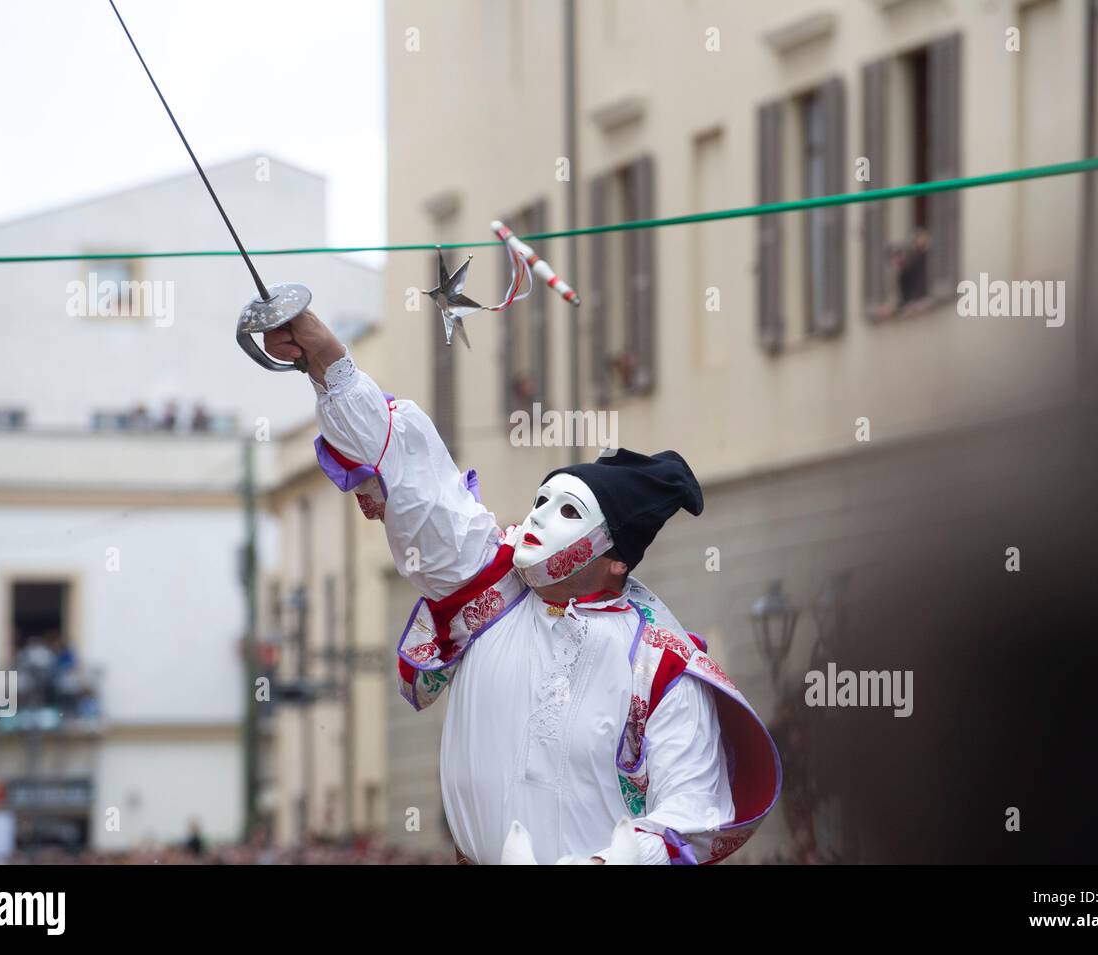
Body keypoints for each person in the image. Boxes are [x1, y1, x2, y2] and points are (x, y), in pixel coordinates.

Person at [261, 311, 780, 865]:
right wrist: (329, 361)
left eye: (567, 511)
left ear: (613, 560)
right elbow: (417, 479)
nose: (537, 519)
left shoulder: (661, 669)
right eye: (541, 501)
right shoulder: (490, 589)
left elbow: (692, 814)